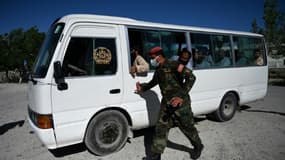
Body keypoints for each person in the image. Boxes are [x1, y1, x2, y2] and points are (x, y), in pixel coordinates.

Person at [136, 46, 203, 160]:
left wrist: (181, 97)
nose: (151, 61)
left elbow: (191, 77)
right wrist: (142, 88)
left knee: (188, 128)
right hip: (166, 103)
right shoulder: (158, 70)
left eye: (152, 58)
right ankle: (155, 156)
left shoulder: (174, 64)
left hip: (181, 104)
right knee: (160, 129)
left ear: (159, 57)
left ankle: (198, 146)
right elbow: (153, 82)